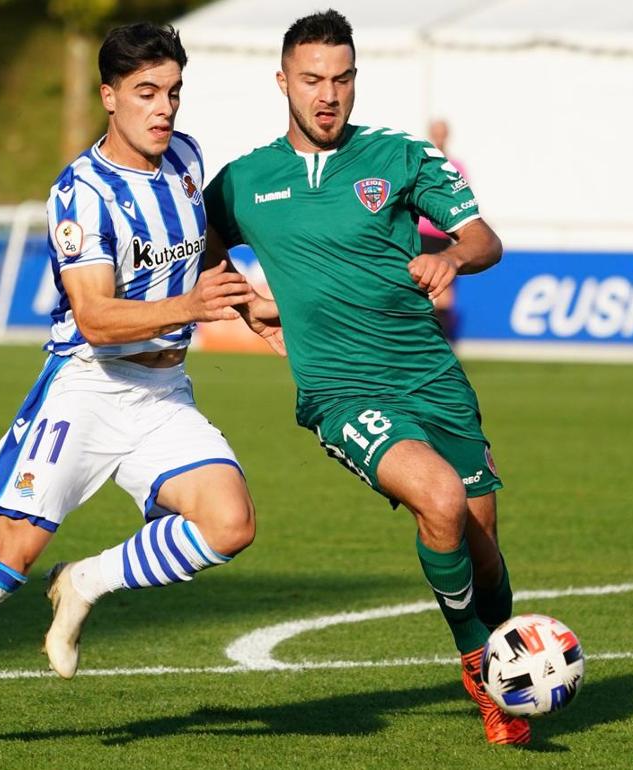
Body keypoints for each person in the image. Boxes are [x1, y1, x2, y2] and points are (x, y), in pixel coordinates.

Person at [0, 22, 270, 752]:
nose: (164, 109)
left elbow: (201, 244)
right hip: (87, 388)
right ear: (108, 96)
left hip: (164, 392)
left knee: (230, 524)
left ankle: (86, 580)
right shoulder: (80, 193)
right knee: (6, 561)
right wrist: (195, 306)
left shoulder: (185, 159)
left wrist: (243, 298)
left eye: (173, 92)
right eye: (147, 92)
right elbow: (94, 314)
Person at [202, 10, 530, 746]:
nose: (328, 95)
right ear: (283, 82)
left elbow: (484, 238)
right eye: (312, 79)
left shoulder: (400, 157)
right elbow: (200, 248)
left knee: (483, 548)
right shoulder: (244, 181)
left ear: (355, 82)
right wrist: (243, 301)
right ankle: (481, 668)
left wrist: (453, 258)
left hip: (432, 379)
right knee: (439, 499)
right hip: (340, 391)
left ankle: (515, 664)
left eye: (341, 79)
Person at [418, 119, 465, 340]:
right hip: (419, 234)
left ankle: (443, 343)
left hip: (440, 237)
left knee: (444, 293)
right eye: (435, 133)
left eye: (442, 133)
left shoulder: (454, 166)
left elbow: (463, 202)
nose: (439, 137)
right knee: (418, 290)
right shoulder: (420, 162)